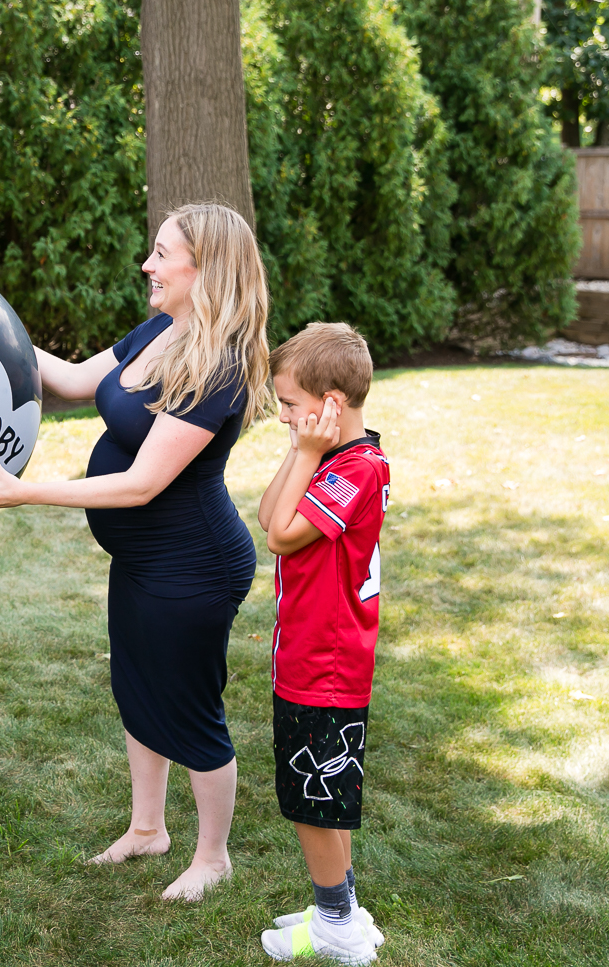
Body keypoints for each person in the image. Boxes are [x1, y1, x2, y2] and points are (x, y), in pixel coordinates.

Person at [0, 202, 271, 902]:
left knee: (190, 708)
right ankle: (148, 829)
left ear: (205, 268)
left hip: (193, 565)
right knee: (136, 689)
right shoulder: (160, 328)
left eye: (162, 254)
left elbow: (140, 484)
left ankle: (213, 856)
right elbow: (68, 380)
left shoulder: (217, 366)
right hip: (145, 561)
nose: (147, 265)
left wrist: (21, 493)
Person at [254, 323, 389, 964]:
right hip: (310, 657)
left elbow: (280, 536)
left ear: (330, 404)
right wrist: (299, 445)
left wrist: (306, 454)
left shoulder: (353, 471)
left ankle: (337, 922)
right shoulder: (338, 458)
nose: (284, 415)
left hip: (325, 665)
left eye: (289, 405)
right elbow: (265, 512)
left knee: (312, 798)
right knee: (325, 798)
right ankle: (343, 909)